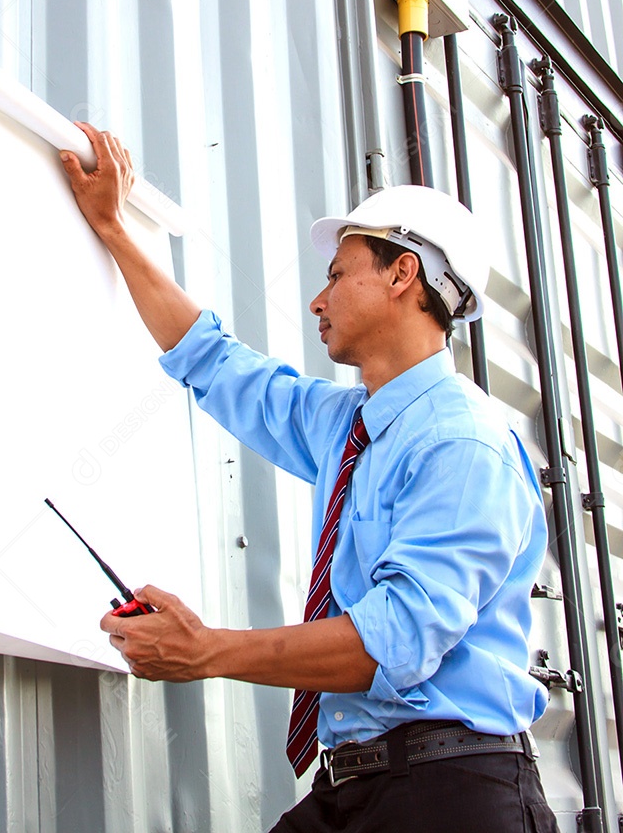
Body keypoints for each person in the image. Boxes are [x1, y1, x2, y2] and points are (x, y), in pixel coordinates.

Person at [60, 122, 560, 833]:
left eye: (337, 274)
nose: (318, 300)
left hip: (452, 794)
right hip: (357, 783)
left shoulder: (463, 443)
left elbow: (395, 637)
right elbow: (213, 361)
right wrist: (112, 227)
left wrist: (205, 650)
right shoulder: (346, 426)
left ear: (402, 274)